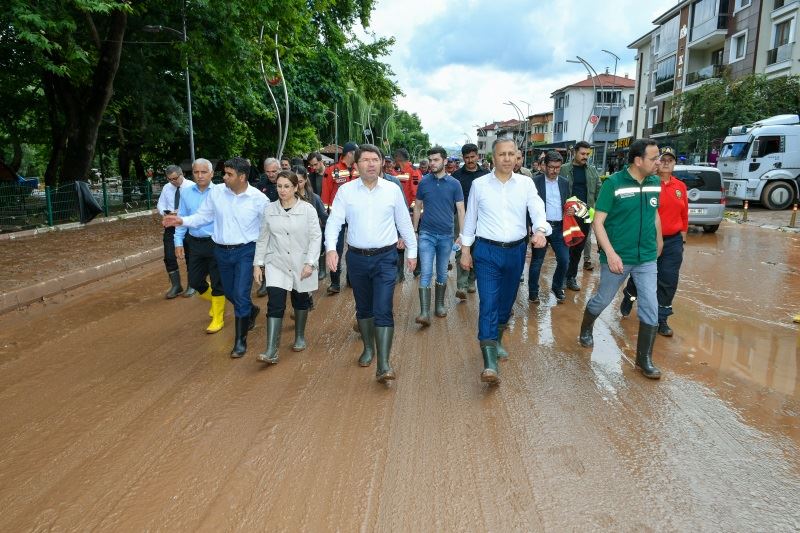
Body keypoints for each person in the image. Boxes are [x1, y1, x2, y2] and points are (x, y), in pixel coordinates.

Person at [460, 138, 549, 384]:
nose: (507, 158)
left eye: (512, 154)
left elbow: (537, 208)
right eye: (502, 154)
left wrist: (540, 230)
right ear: (493, 158)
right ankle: (489, 364)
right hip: (486, 251)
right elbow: (470, 219)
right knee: (488, 301)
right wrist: (466, 251)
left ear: (517, 157)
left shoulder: (526, 184)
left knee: (506, 302)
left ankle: (496, 339)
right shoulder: (479, 185)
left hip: (516, 252)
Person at [325, 144, 417, 383]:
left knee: (383, 308)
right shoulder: (345, 192)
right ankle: (368, 348)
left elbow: (404, 222)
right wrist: (330, 250)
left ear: (381, 163)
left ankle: (384, 364)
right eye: (365, 160)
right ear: (356, 165)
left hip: (386, 258)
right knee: (364, 307)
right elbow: (334, 222)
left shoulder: (392, 190)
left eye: (375, 159)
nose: (371, 163)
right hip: (356, 258)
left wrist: (412, 251)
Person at [163, 157, 266, 358]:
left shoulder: (259, 200)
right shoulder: (217, 193)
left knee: (241, 294)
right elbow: (203, 216)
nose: (224, 177)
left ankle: (240, 342)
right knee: (228, 293)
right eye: (224, 173)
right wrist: (182, 220)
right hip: (221, 251)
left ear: (242, 177)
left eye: (229, 174)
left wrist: (260, 261)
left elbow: (265, 231)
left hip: (246, 252)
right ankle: (250, 311)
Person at [578, 139, 664, 380]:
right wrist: (611, 253)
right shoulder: (613, 184)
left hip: (646, 256)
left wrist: (659, 241)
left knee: (650, 304)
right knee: (603, 299)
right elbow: (598, 222)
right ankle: (586, 327)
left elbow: (654, 213)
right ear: (638, 161)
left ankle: (644, 359)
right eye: (653, 158)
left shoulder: (654, 182)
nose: (658, 162)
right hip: (618, 256)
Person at [253, 170, 322, 363]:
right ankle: (271, 350)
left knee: (300, 300)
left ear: (295, 187)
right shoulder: (269, 209)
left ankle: (299, 336)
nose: (282, 190)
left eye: (287, 186)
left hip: (301, 263)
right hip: (276, 263)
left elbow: (316, 238)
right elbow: (263, 238)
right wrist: (258, 264)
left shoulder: (307, 209)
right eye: (279, 186)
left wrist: (310, 263)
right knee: (275, 304)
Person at [619, 146, 688, 337]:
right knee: (640, 276)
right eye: (662, 159)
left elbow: (684, 214)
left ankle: (662, 318)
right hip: (648, 238)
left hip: (673, 241)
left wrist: (683, 236)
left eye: (670, 160)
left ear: (675, 163)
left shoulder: (680, 187)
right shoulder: (649, 183)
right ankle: (629, 296)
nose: (666, 162)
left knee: (668, 278)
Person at [412, 146, 465, 325]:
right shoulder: (424, 182)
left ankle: (439, 306)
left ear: (444, 161)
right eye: (430, 160)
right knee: (426, 271)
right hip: (426, 234)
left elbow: (460, 209)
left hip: (446, 235)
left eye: (435, 160)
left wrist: (462, 235)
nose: (432, 163)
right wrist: (414, 231)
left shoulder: (454, 184)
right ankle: (424, 312)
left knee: (442, 271)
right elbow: (418, 206)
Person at [174, 158, 225, 333]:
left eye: (204, 172)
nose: (200, 175)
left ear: (211, 173)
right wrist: (178, 242)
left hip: (216, 243)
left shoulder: (221, 191)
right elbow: (182, 218)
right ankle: (215, 301)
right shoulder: (186, 193)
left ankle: (218, 317)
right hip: (194, 243)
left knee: (218, 281)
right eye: (196, 172)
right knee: (195, 281)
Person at [528, 151, 570, 304]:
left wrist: (570, 209)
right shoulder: (535, 182)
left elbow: (568, 201)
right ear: (544, 166)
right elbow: (528, 206)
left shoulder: (565, 182)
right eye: (551, 167)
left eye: (558, 167)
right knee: (537, 261)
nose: (554, 171)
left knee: (565, 260)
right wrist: (530, 226)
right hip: (541, 229)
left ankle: (557, 287)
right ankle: (533, 292)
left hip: (559, 228)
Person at [562, 141, 602, 285]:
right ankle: (562, 277)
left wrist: (597, 213)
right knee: (566, 248)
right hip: (569, 215)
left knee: (578, 249)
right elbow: (558, 192)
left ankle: (571, 277)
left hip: (586, 215)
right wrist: (565, 208)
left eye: (587, 154)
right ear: (575, 153)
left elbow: (599, 192)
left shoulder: (592, 171)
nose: (585, 156)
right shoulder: (564, 170)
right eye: (582, 154)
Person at [321, 141, 359, 294]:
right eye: (356, 152)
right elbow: (325, 193)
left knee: (355, 247)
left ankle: (351, 279)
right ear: (350, 153)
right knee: (336, 247)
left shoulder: (359, 169)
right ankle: (335, 282)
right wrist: (325, 216)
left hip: (356, 215)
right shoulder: (332, 170)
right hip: (338, 215)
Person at [451, 143, 488, 299]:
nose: (470, 160)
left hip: (483, 218)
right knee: (461, 250)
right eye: (467, 157)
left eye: (473, 157)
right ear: (463, 158)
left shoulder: (486, 175)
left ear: (478, 156)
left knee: (478, 251)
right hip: (462, 218)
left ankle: (472, 280)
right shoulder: (456, 176)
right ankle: (462, 286)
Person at [156, 164, 195, 299]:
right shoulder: (167, 188)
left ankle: (192, 285)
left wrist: (181, 213)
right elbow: (160, 204)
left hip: (187, 225)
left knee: (190, 255)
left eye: (175, 178)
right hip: (171, 224)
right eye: (170, 179)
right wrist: (165, 212)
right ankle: (176, 285)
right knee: (169, 256)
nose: (173, 181)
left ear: (181, 174)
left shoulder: (191, 186)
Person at [390, 148, 421, 282]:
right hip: (398, 213)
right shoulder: (397, 172)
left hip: (410, 213)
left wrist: (411, 212)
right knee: (399, 243)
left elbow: (416, 195)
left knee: (413, 240)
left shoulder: (414, 172)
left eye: (394, 159)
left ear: (398, 159)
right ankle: (399, 274)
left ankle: (417, 269)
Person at [296, 166, 328, 280]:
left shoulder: (314, 198)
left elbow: (325, 218)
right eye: (293, 181)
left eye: (299, 181)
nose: (297, 185)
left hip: (310, 237)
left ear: (305, 180)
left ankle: (321, 266)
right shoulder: (284, 198)